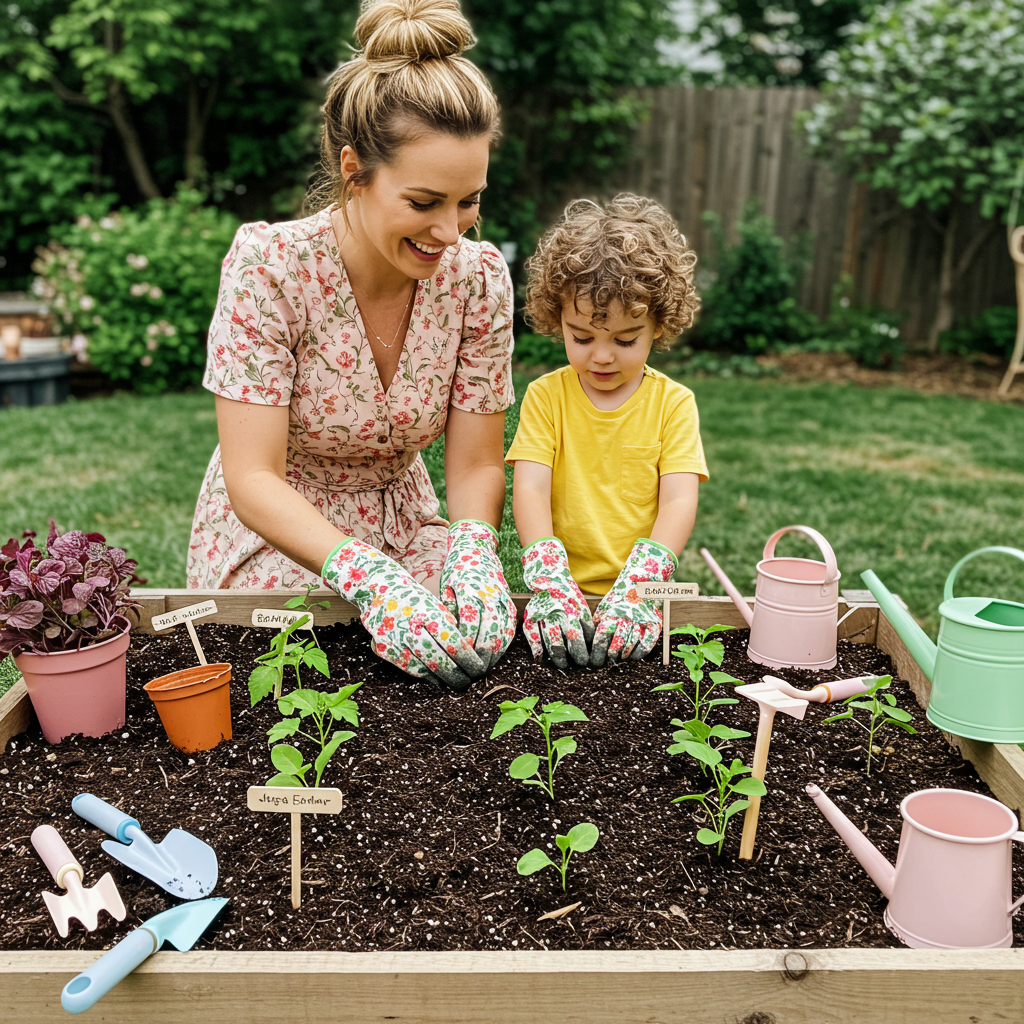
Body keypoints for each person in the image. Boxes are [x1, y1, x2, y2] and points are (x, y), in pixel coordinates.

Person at [187, 0, 517, 691]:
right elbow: (253, 479)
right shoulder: (271, 267)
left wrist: (476, 549)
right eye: (425, 202)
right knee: (304, 682)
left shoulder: (478, 279)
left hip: (405, 523)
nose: (451, 231)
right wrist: (367, 577)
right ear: (353, 169)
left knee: (467, 663)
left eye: (469, 201)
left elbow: (479, 461)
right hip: (279, 532)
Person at [505, 194, 708, 670]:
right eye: (581, 337)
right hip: (560, 594)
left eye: (624, 340)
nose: (601, 356)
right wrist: (547, 575)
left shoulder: (673, 404)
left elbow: (679, 499)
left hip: (638, 597)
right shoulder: (545, 396)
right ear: (556, 319)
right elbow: (530, 487)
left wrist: (643, 582)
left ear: (659, 324)